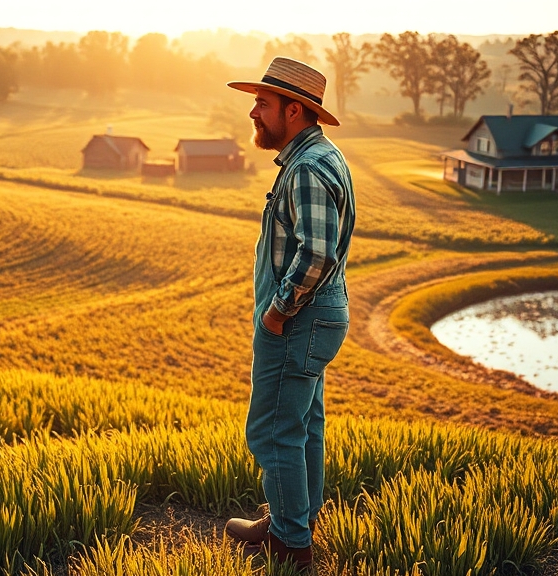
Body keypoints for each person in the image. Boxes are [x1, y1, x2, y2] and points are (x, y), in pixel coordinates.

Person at [223, 57, 356, 570]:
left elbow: (316, 252)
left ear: (294, 109)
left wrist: (278, 312)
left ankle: (291, 543)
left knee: (273, 430)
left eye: (262, 103)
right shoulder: (324, 155)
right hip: (321, 316)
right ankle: (292, 520)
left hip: (299, 320)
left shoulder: (305, 168)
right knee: (304, 424)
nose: (253, 112)